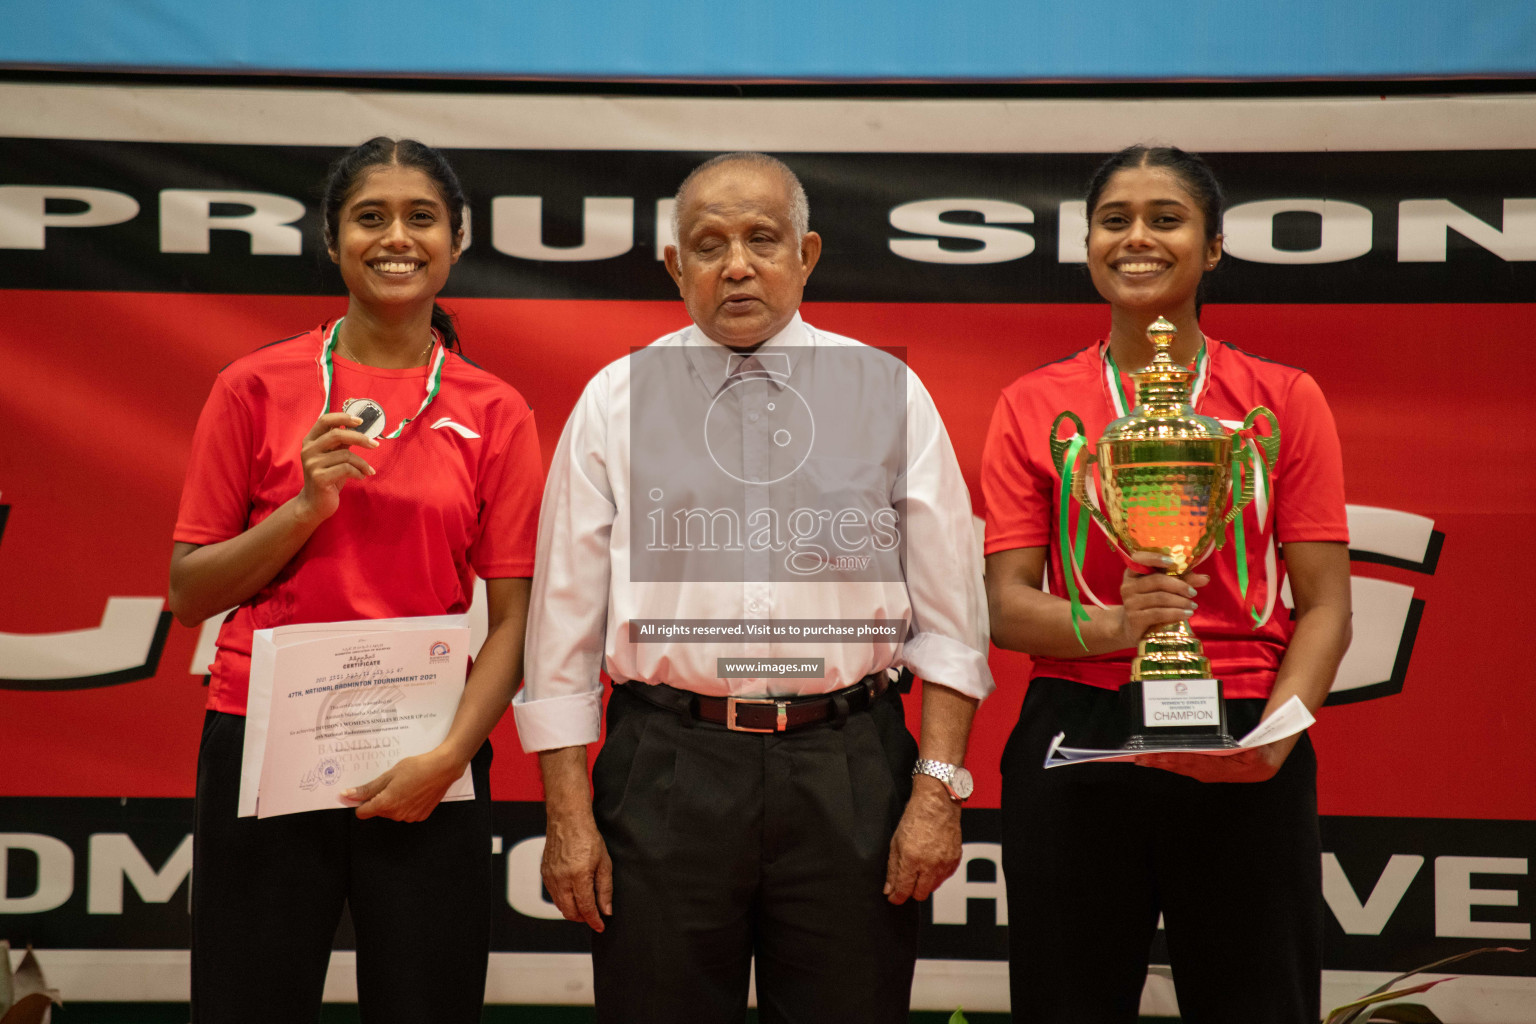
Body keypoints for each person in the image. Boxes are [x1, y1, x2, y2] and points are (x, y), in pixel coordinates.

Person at [514, 152, 993, 1024]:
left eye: (762, 239)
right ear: (675, 267)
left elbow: (955, 622)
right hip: (666, 770)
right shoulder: (616, 399)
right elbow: (562, 633)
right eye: (708, 244)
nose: (736, 264)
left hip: (851, 769)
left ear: (807, 254)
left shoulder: (888, 392)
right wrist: (568, 817)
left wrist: (936, 792)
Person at [168, 137, 542, 1023]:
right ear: (332, 242)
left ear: (457, 239)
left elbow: (519, 621)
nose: (396, 238)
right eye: (369, 218)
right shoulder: (253, 386)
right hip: (265, 747)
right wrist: (303, 508)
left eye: (422, 218)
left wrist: (450, 759)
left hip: (426, 758)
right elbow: (189, 591)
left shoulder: (496, 410)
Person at [981, 145, 1352, 1023]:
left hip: (1246, 730)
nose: (1137, 237)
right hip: (1081, 731)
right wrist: (1118, 628)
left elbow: (1327, 605)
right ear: (1087, 244)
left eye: (1166, 218)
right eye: (1115, 220)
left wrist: (1277, 736)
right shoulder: (1035, 404)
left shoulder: (1282, 399)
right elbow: (1005, 604)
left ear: (1213, 247)